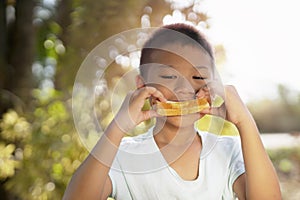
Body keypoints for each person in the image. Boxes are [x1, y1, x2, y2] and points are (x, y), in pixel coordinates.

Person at [63, 23, 281, 200]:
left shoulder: (229, 150)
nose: (185, 88)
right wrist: (117, 128)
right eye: (168, 76)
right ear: (142, 86)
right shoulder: (121, 156)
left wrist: (245, 122)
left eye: (198, 77)